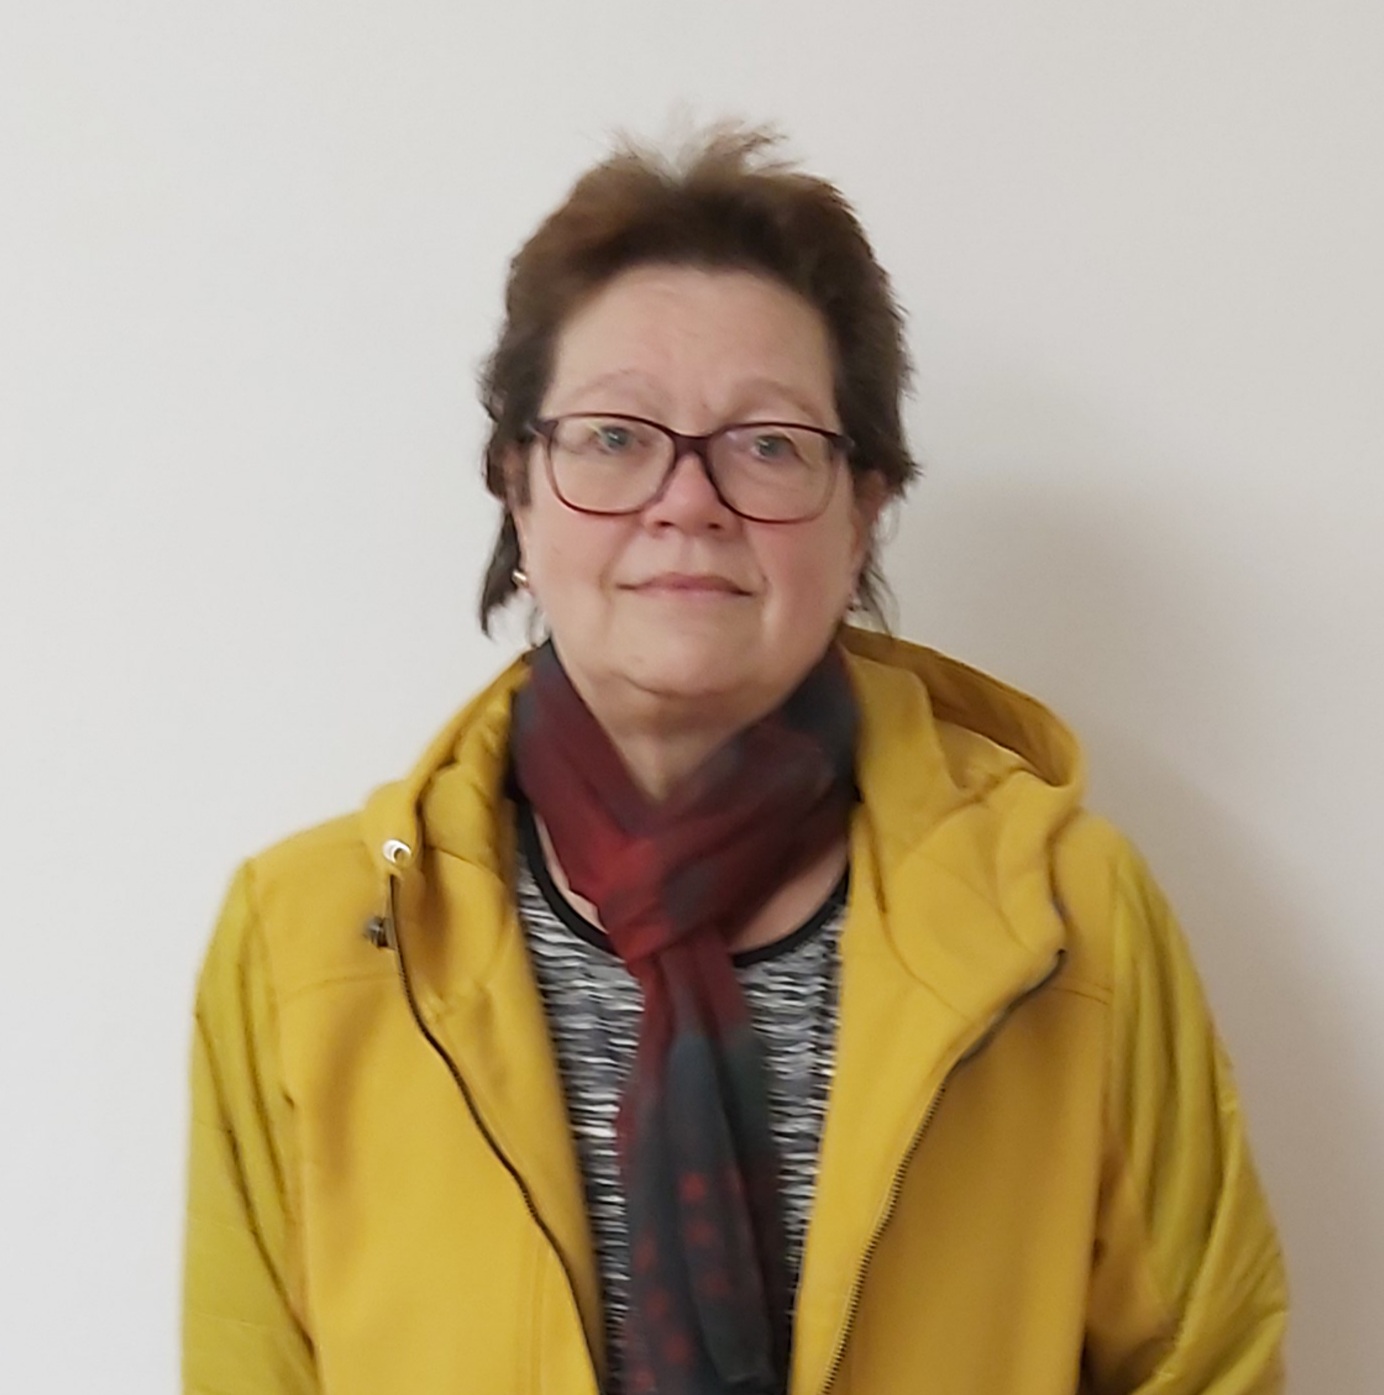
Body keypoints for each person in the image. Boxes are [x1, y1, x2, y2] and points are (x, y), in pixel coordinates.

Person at [182, 127, 1287, 1395]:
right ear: (517, 491)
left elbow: (1209, 1366)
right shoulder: (308, 946)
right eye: (614, 436)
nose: (687, 500)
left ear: (863, 507)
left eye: (767, 443)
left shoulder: (1070, 919)